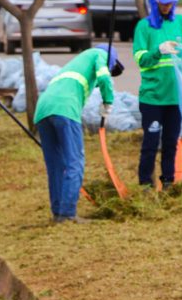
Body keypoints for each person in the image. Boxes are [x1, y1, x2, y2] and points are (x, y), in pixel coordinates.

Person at [34, 44, 123, 222]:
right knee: (74, 162)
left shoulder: (75, 64)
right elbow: (104, 78)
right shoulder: (99, 54)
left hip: (42, 111)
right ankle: (67, 213)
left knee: (56, 165)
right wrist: (108, 101)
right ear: (111, 58)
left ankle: (58, 213)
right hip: (65, 109)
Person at [132, 0, 182, 188]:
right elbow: (141, 59)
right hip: (152, 97)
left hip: (176, 97)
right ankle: (145, 184)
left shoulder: (181, 22)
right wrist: (158, 51)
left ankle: (168, 182)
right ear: (154, 1)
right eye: (163, 2)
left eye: (170, 2)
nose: (167, 6)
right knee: (151, 143)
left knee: (171, 143)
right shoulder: (144, 27)